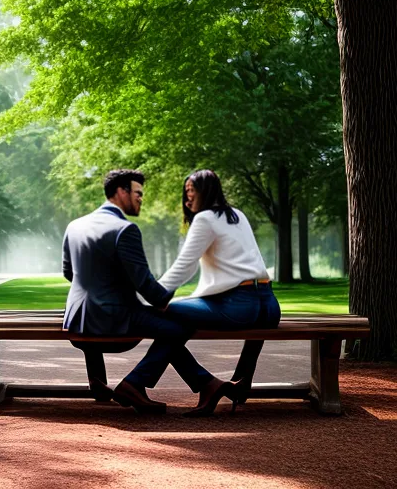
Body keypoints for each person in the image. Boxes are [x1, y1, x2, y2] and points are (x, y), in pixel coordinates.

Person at [62, 169, 230, 414]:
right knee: (179, 327)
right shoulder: (125, 229)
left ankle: (207, 384)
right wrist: (165, 301)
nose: (142, 198)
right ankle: (134, 384)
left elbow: (69, 272)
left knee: (169, 327)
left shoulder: (75, 225)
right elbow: (144, 283)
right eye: (138, 193)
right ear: (122, 192)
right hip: (113, 318)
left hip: (76, 317)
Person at [155, 169, 282, 415]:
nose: (187, 199)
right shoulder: (237, 215)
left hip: (238, 306)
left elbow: (184, 267)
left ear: (206, 191)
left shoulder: (204, 219)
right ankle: (241, 383)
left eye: (191, 192)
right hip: (269, 304)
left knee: (160, 317)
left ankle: (206, 383)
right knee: (176, 314)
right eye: (186, 193)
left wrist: (151, 296)